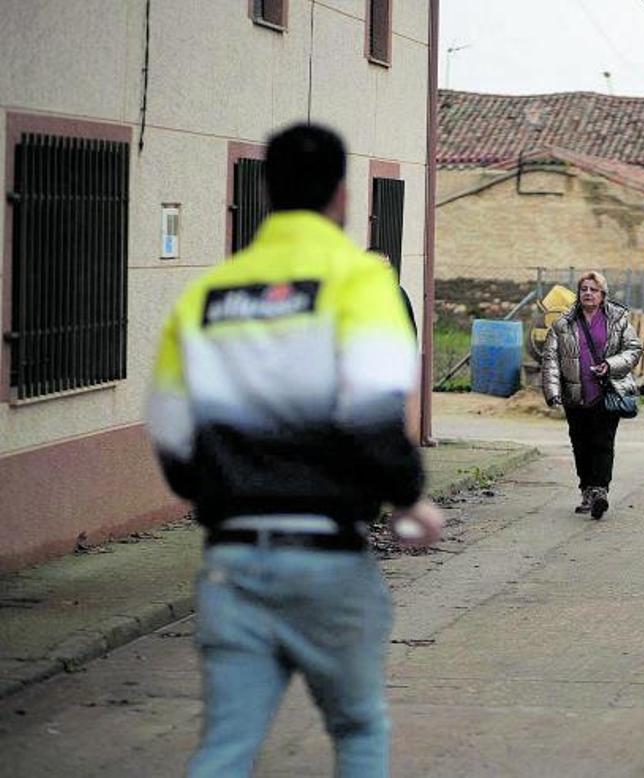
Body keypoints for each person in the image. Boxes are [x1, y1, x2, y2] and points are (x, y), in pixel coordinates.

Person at [146, 123, 443, 777]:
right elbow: (372, 415)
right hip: (328, 559)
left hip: (231, 561)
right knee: (359, 728)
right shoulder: (358, 282)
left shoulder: (206, 297)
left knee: (225, 748)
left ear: (264, 190)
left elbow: (171, 436)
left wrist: (231, 491)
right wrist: (409, 496)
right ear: (341, 196)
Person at [541, 271, 643, 519]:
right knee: (580, 444)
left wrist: (610, 364)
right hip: (574, 394)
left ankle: (600, 492)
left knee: (603, 442)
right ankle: (586, 489)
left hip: (606, 391)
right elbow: (550, 359)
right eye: (584, 289)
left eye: (593, 289)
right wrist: (552, 392)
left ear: (603, 294)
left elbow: (633, 349)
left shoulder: (618, 319)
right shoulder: (563, 323)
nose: (588, 293)